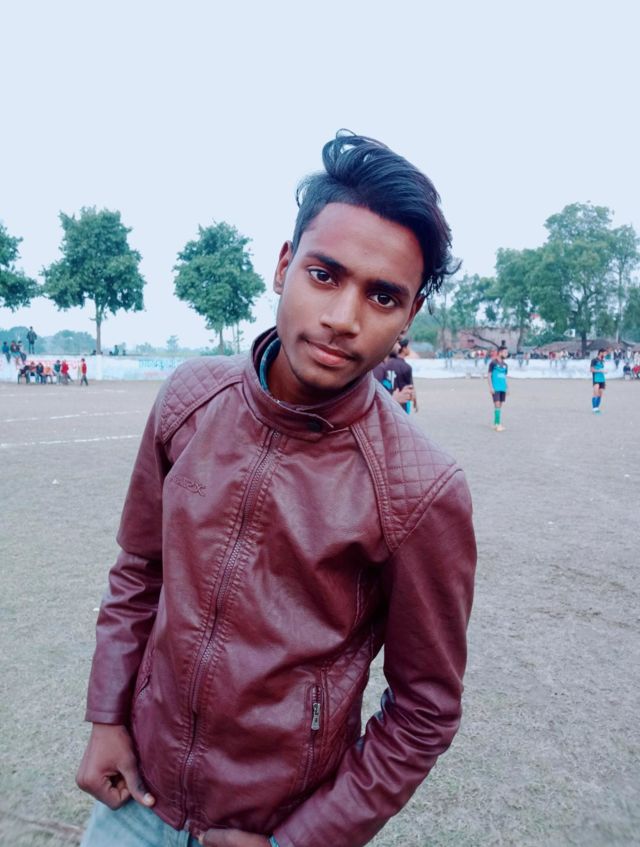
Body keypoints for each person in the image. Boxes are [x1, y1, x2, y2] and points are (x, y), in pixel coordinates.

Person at [76, 132, 476, 847]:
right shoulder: (190, 400)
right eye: (325, 274)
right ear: (284, 265)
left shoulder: (420, 488)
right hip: (135, 794)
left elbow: (425, 709)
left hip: (273, 826)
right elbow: (140, 571)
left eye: (382, 295)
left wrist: (300, 841)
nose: (344, 318)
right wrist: (108, 717)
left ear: (408, 316)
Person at [372, 339, 418, 413]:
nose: (399, 346)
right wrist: (393, 400)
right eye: (397, 342)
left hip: (390, 404)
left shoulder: (385, 365)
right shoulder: (379, 368)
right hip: (397, 404)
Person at [488, 345, 509, 431]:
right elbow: (489, 375)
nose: (506, 354)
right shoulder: (493, 363)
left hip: (502, 388)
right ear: (500, 352)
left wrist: (507, 388)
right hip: (495, 388)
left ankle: (495, 423)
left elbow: (505, 377)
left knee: (499, 406)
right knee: (497, 405)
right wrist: (491, 387)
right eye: (505, 352)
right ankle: (497, 424)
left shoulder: (505, 365)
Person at [590, 348, 607, 412]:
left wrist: (604, 371)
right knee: (596, 393)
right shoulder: (594, 360)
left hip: (602, 379)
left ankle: (597, 407)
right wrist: (600, 370)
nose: (605, 354)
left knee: (600, 394)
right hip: (596, 378)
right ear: (600, 353)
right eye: (604, 353)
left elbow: (602, 369)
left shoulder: (602, 360)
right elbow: (591, 370)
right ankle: (594, 408)